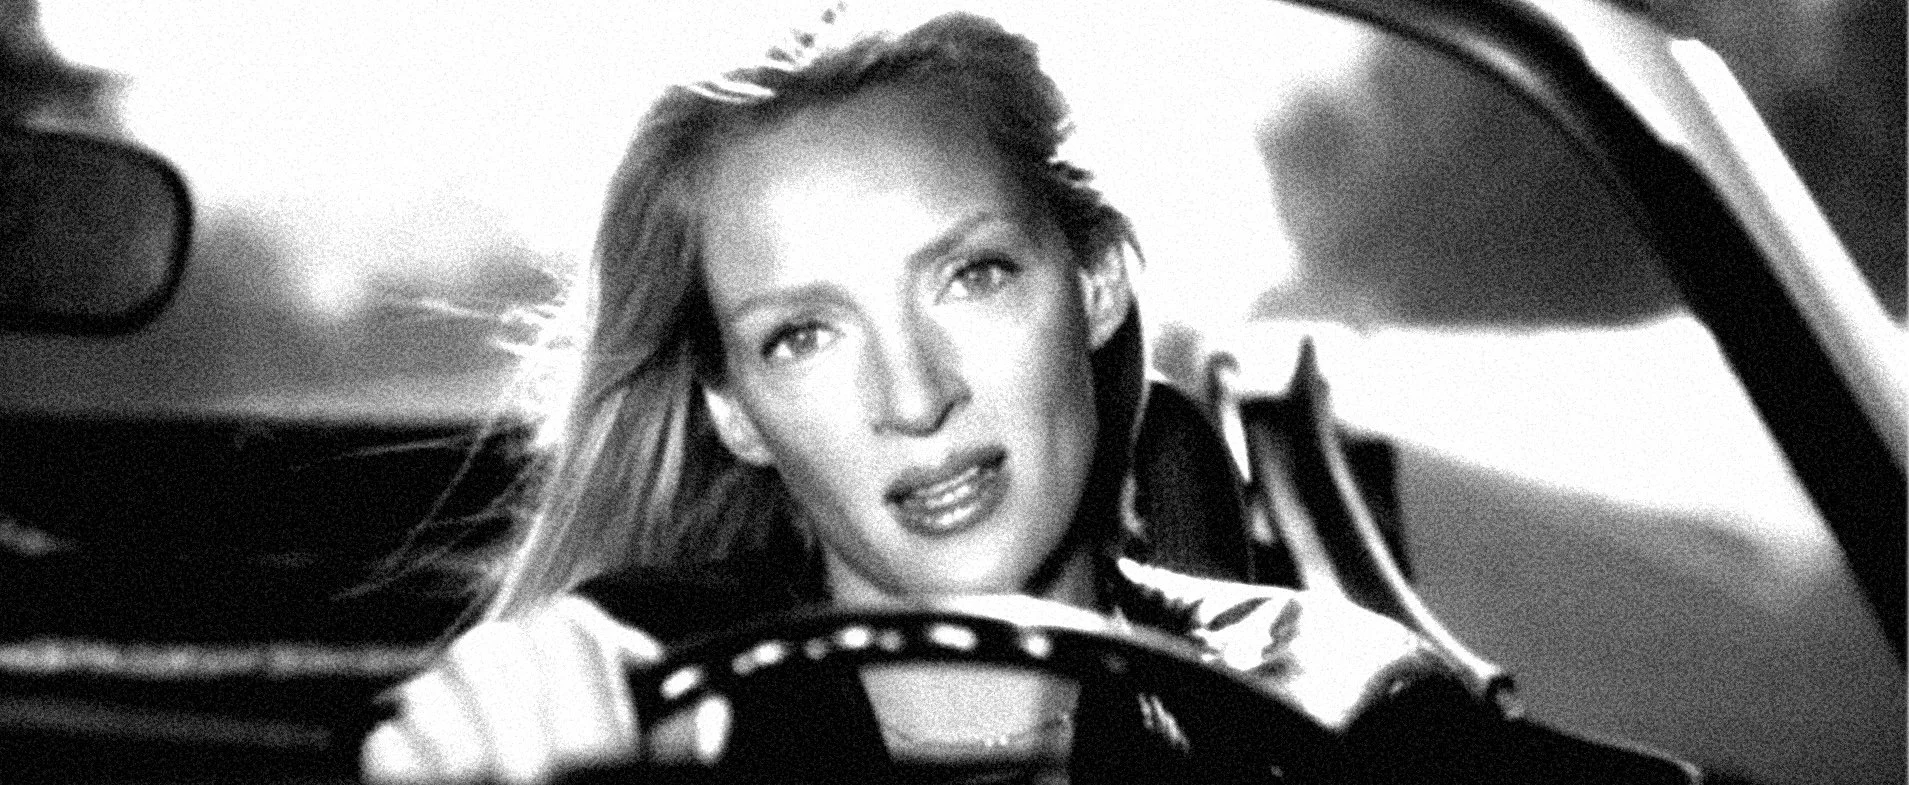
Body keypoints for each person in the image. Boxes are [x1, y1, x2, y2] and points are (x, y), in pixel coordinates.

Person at [363, 8, 1456, 783]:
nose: (914, 398)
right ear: (733, 408)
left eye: (970, 275)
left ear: (1096, 283)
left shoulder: (1334, 707)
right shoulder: (624, 693)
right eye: (801, 335)